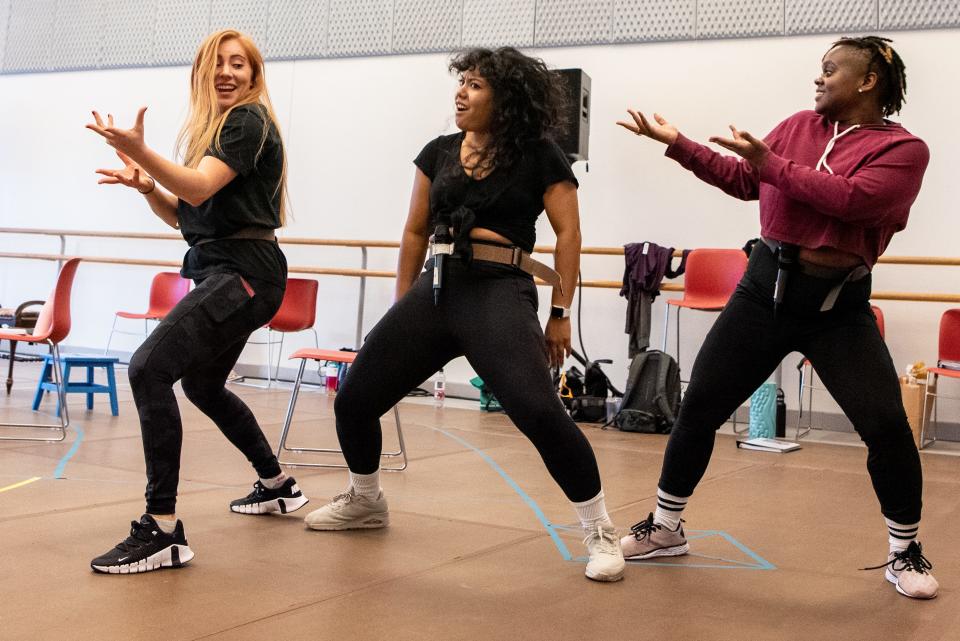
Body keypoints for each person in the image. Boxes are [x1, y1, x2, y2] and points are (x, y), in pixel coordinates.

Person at [615, 36, 938, 599]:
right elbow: (747, 181)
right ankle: (666, 527)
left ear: (867, 82)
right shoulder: (796, 126)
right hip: (763, 293)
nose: (819, 79)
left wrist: (769, 163)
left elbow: (851, 200)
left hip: (838, 310)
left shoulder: (906, 150)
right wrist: (679, 144)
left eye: (830, 70)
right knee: (699, 407)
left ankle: (904, 553)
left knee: (886, 426)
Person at [302, 47, 625, 582]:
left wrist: (560, 312)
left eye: (475, 85)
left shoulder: (540, 154)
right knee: (356, 394)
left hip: (499, 291)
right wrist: (402, 301)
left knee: (539, 412)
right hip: (436, 289)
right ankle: (365, 500)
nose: (461, 92)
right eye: (462, 82)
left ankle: (599, 529)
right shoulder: (438, 151)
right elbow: (413, 231)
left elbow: (570, 235)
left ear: (506, 98)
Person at [86, 29, 308, 574]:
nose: (227, 73)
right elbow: (188, 216)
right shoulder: (213, 134)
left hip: (244, 273)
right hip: (228, 269)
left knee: (147, 369)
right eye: (217, 65)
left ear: (255, 76)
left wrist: (141, 149)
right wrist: (147, 187)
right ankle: (277, 484)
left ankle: (160, 529)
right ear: (202, 75)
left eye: (239, 65)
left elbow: (198, 189)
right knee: (202, 384)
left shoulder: (247, 120)